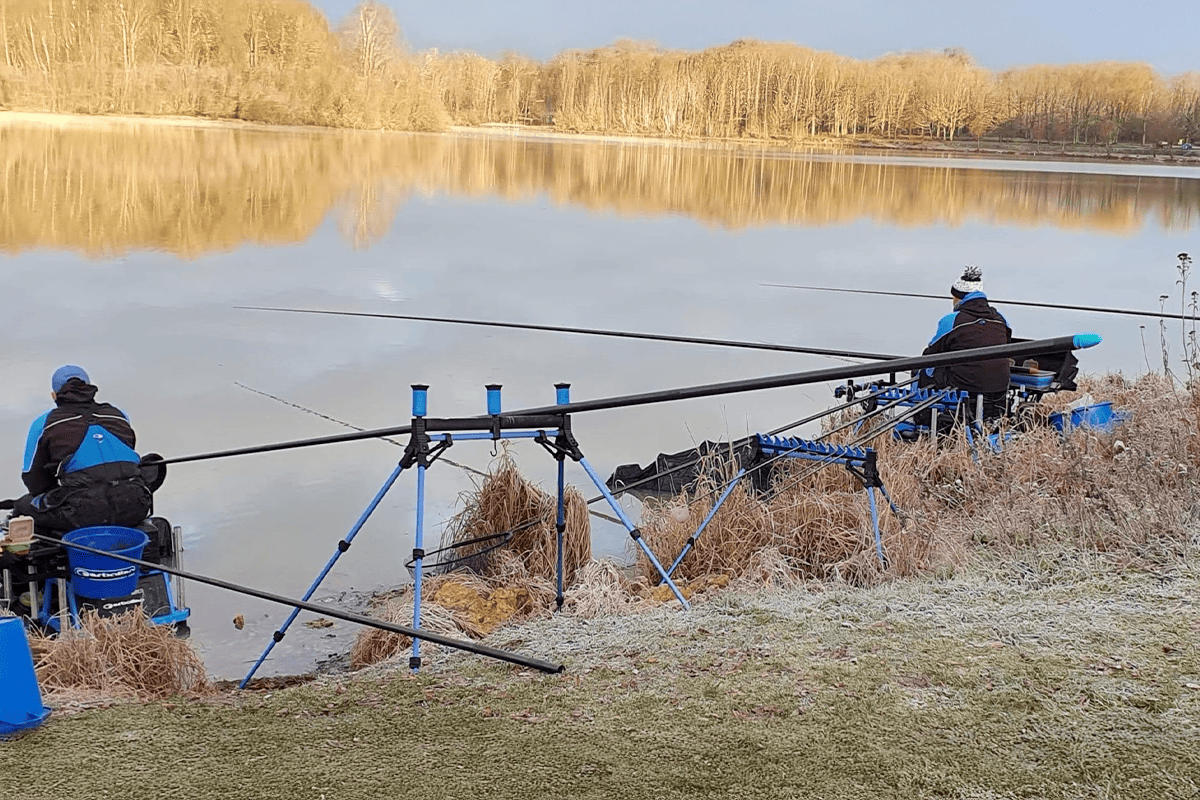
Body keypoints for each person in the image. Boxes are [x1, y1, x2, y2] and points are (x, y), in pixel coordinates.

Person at [13, 366, 152, 534]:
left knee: (22, 506)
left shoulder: (43, 423)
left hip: (82, 514)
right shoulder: (118, 414)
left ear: (54, 396)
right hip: (136, 505)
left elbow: (34, 480)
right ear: (89, 387)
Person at [918, 266, 1013, 423]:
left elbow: (930, 355)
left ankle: (923, 420)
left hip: (966, 388)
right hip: (1000, 388)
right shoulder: (1001, 319)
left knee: (922, 369)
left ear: (958, 298)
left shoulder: (952, 320)